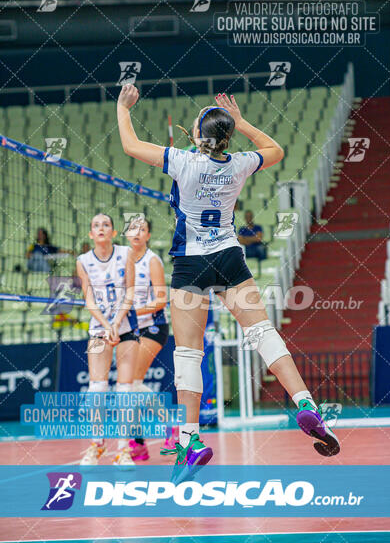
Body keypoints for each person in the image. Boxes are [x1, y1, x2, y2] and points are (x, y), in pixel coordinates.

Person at [117, 85, 340, 482]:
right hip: (229, 257)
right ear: (226, 135)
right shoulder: (238, 163)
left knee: (188, 354)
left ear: (199, 134)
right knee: (263, 332)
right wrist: (243, 122)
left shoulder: (182, 161)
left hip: (191, 265)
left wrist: (122, 106)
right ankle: (306, 403)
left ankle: (191, 441)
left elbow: (130, 144)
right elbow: (276, 151)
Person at [76, 213, 138, 466]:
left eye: (106, 225)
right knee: (97, 388)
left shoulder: (126, 253)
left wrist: (116, 323)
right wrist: (105, 325)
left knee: (125, 390)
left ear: (113, 232)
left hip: (125, 325)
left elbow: (130, 291)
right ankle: (96, 445)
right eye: (96, 225)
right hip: (99, 326)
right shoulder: (83, 261)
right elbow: (88, 299)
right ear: (91, 234)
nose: (101, 228)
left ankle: (123, 451)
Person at [125, 217, 177, 460]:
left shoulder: (152, 261)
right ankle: (139, 443)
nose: (136, 233)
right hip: (130, 329)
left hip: (153, 327)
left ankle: (170, 427)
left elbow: (161, 300)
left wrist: (133, 311)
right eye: (132, 229)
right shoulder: (120, 261)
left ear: (147, 235)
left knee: (132, 382)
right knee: (128, 387)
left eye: (142, 229)